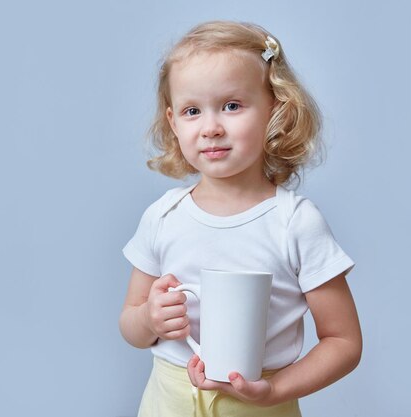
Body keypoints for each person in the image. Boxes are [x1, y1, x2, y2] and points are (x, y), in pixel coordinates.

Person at [119, 21, 362, 417]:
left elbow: (344, 341)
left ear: (275, 109)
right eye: (192, 110)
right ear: (173, 122)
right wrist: (149, 318)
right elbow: (130, 325)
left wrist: (275, 389)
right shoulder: (163, 216)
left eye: (232, 105)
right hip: (166, 404)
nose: (212, 128)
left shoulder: (294, 223)